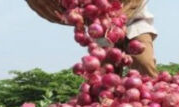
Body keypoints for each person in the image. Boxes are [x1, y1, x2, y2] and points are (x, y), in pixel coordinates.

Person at [26, 0, 158, 77]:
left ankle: (152, 99)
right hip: (102, 31)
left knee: (143, 62)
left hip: (135, 23)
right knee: (105, 76)